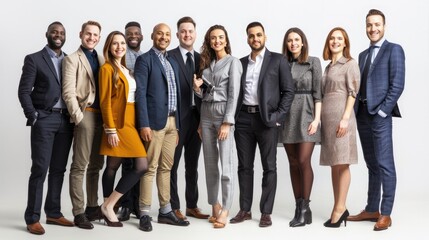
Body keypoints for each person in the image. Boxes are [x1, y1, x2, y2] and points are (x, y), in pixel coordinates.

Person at [230, 21, 294, 228]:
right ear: (247, 38)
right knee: (244, 167)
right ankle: (245, 210)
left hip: (267, 120)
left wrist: (277, 117)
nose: (255, 39)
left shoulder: (278, 60)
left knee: (269, 167)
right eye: (251, 35)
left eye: (258, 35)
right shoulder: (240, 63)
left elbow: (288, 91)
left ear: (265, 37)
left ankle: (266, 212)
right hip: (243, 120)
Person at [348, 9, 405, 231]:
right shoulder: (362, 55)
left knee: (385, 165)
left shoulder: (394, 50)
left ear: (384, 26)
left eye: (377, 24)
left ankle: (386, 213)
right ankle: (372, 209)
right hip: (362, 115)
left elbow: (397, 84)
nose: (373, 29)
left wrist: (383, 111)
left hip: (380, 116)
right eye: (369, 25)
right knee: (372, 165)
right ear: (366, 27)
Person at [18, 21, 75, 235]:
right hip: (44, 119)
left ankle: (53, 212)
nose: (58, 35)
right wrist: (32, 115)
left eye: (61, 32)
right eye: (54, 32)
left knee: (59, 169)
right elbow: (24, 91)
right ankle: (32, 217)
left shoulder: (69, 60)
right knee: (40, 169)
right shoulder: (34, 59)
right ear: (47, 34)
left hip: (66, 121)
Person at [135, 23, 190, 232]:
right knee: (150, 168)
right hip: (154, 123)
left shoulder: (172, 61)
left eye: (167, 34)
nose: (164, 37)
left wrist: (177, 127)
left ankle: (165, 211)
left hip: (172, 123)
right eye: (160, 33)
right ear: (152, 36)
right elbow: (140, 93)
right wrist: (144, 123)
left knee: (167, 168)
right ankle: (144, 212)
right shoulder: (144, 60)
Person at [193, 24, 242, 229]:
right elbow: (204, 95)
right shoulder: (207, 64)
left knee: (226, 167)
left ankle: (226, 209)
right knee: (210, 165)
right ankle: (215, 205)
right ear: (209, 41)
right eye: (213, 38)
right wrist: (197, 89)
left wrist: (227, 122)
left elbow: (233, 94)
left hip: (223, 115)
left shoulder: (234, 63)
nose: (217, 41)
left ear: (226, 39)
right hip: (206, 114)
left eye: (220, 37)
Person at [98, 31, 148, 227]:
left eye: (122, 43)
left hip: (131, 120)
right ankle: (109, 205)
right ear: (109, 47)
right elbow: (105, 102)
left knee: (116, 165)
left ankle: (107, 205)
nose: (119, 47)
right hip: (118, 123)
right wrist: (110, 130)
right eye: (114, 44)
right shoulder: (107, 69)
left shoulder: (125, 69)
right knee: (130, 166)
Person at [62, 20, 105, 229]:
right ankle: (78, 212)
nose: (92, 38)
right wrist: (78, 117)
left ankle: (92, 207)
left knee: (97, 164)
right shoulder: (71, 59)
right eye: (88, 34)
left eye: (95, 35)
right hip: (85, 114)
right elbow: (68, 93)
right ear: (81, 34)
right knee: (80, 165)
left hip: (102, 117)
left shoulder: (102, 58)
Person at [278, 27, 322, 227]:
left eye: (297, 39)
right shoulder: (282, 63)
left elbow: (318, 94)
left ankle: (304, 208)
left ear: (303, 42)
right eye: (290, 40)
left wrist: (316, 119)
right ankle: (299, 207)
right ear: (286, 44)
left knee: (304, 160)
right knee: (293, 162)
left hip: (307, 114)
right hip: (287, 115)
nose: (293, 43)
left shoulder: (313, 62)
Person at [167, 16, 209, 221]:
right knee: (172, 165)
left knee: (192, 165)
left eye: (190, 31)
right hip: (176, 120)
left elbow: (207, 90)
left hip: (197, 119)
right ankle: (174, 206)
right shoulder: (169, 57)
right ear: (177, 34)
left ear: (195, 33)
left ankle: (192, 205)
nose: (187, 34)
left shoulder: (202, 59)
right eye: (183, 31)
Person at [320, 27, 360, 228]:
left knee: (343, 162)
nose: (335, 41)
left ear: (345, 43)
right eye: (332, 38)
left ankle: (340, 208)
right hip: (328, 122)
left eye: (339, 39)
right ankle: (338, 206)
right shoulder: (327, 67)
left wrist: (345, 118)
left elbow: (353, 92)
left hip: (342, 119)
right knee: (334, 164)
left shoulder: (350, 64)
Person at [116, 21, 144, 222]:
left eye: (136, 33)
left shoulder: (146, 57)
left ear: (142, 36)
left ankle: (136, 203)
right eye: (129, 34)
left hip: (142, 114)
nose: (133, 36)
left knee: (141, 161)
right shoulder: (121, 57)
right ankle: (124, 204)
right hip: (126, 114)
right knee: (128, 162)